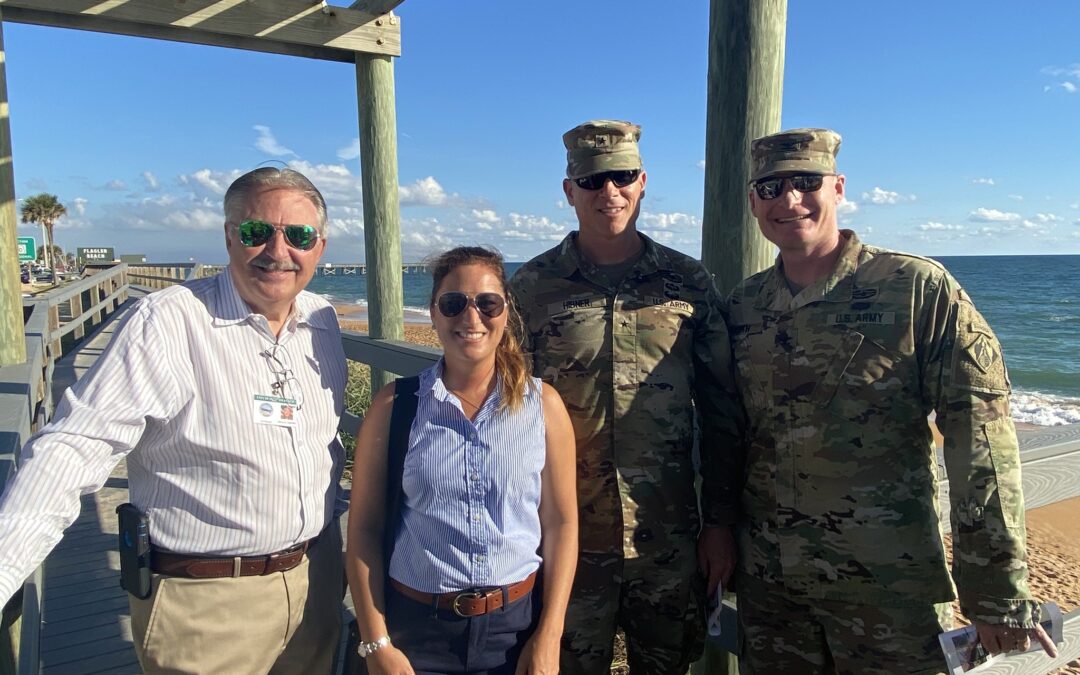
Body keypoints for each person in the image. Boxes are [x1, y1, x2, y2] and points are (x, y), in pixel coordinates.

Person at [727, 127, 1058, 673]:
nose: (789, 200)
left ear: (838, 187)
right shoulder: (743, 305)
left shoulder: (915, 289)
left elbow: (983, 442)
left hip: (887, 587)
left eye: (807, 182)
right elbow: (728, 434)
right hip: (773, 587)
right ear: (753, 201)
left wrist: (997, 589)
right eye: (770, 188)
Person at [0, 167, 349, 673]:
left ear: (319, 246)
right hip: (206, 603)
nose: (278, 251)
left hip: (315, 587)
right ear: (229, 236)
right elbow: (74, 445)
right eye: (256, 232)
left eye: (298, 235)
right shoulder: (168, 322)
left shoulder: (321, 320)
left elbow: (325, 446)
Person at [509, 120, 744, 674]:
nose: (608, 192)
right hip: (566, 541)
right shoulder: (533, 287)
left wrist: (719, 524)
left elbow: (721, 412)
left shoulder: (687, 282)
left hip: (668, 540)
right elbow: (506, 411)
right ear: (569, 192)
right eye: (592, 181)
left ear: (642, 182)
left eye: (621, 177)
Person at [346, 246, 578, 675]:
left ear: (506, 312)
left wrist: (549, 634)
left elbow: (561, 523)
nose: (471, 318)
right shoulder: (395, 406)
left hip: (515, 629)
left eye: (487, 303)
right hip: (416, 631)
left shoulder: (543, 406)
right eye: (454, 304)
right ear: (434, 314)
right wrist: (376, 641)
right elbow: (363, 528)